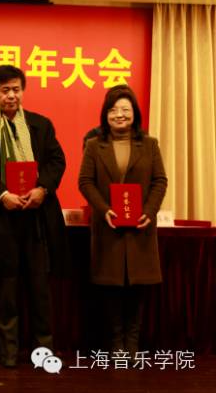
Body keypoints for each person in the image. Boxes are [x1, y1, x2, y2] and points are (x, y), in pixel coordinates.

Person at [0, 65, 66, 368]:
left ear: (23, 91)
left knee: (40, 288)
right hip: (2, 217)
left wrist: (43, 189)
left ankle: (43, 351)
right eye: (5, 90)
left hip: (36, 218)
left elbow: (57, 160)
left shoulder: (41, 124)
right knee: (6, 288)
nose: (11, 95)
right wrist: (2, 194)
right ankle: (8, 353)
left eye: (16, 89)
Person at [78, 85, 167, 358]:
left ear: (134, 113)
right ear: (105, 114)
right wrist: (103, 209)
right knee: (112, 287)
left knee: (137, 287)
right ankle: (116, 343)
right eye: (114, 110)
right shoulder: (94, 145)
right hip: (109, 227)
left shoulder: (149, 144)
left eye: (125, 109)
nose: (119, 115)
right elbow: (85, 182)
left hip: (140, 227)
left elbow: (159, 181)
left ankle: (133, 343)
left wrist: (149, 211)